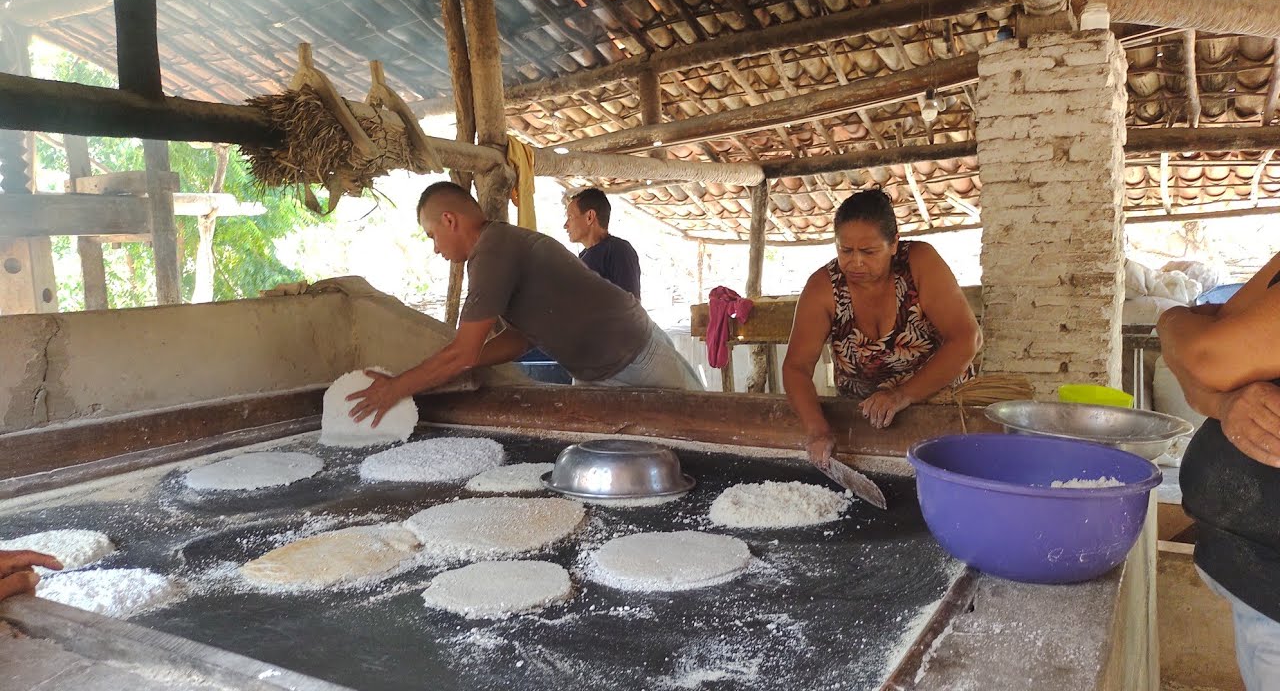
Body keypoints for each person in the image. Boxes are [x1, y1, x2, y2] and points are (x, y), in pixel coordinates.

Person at [349, 182, 702, 424]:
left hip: (637, 353)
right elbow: (520, 338)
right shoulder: (496, 248)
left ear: (449, 220)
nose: (435, 247)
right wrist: (464, 366)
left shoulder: (494, 249)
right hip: (593, 372)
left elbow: (463, 351)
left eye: (432, 236)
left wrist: (395, 388)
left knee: (700, 426)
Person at [782, 189, 981, 468]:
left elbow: (966, 339)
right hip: (867, 424)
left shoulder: (919, 263)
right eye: (845, 250)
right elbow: (796, 368)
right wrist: (818, 430)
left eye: (869, 251)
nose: (856, 261)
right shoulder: (823, 288)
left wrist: (901, 395)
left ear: (894, 244)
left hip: (943, 413)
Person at [1158, 250, 1280, 691]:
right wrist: (1224, 402)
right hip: (1262, 580)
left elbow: (1205, 354)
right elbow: (1214, 336)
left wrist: (1170, 321)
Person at [563, 188, 641, 301]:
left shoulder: (619, 250)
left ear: (589, 217)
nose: (566, 225)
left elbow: (632, 307)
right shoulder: (582, 257)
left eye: (570, 217)